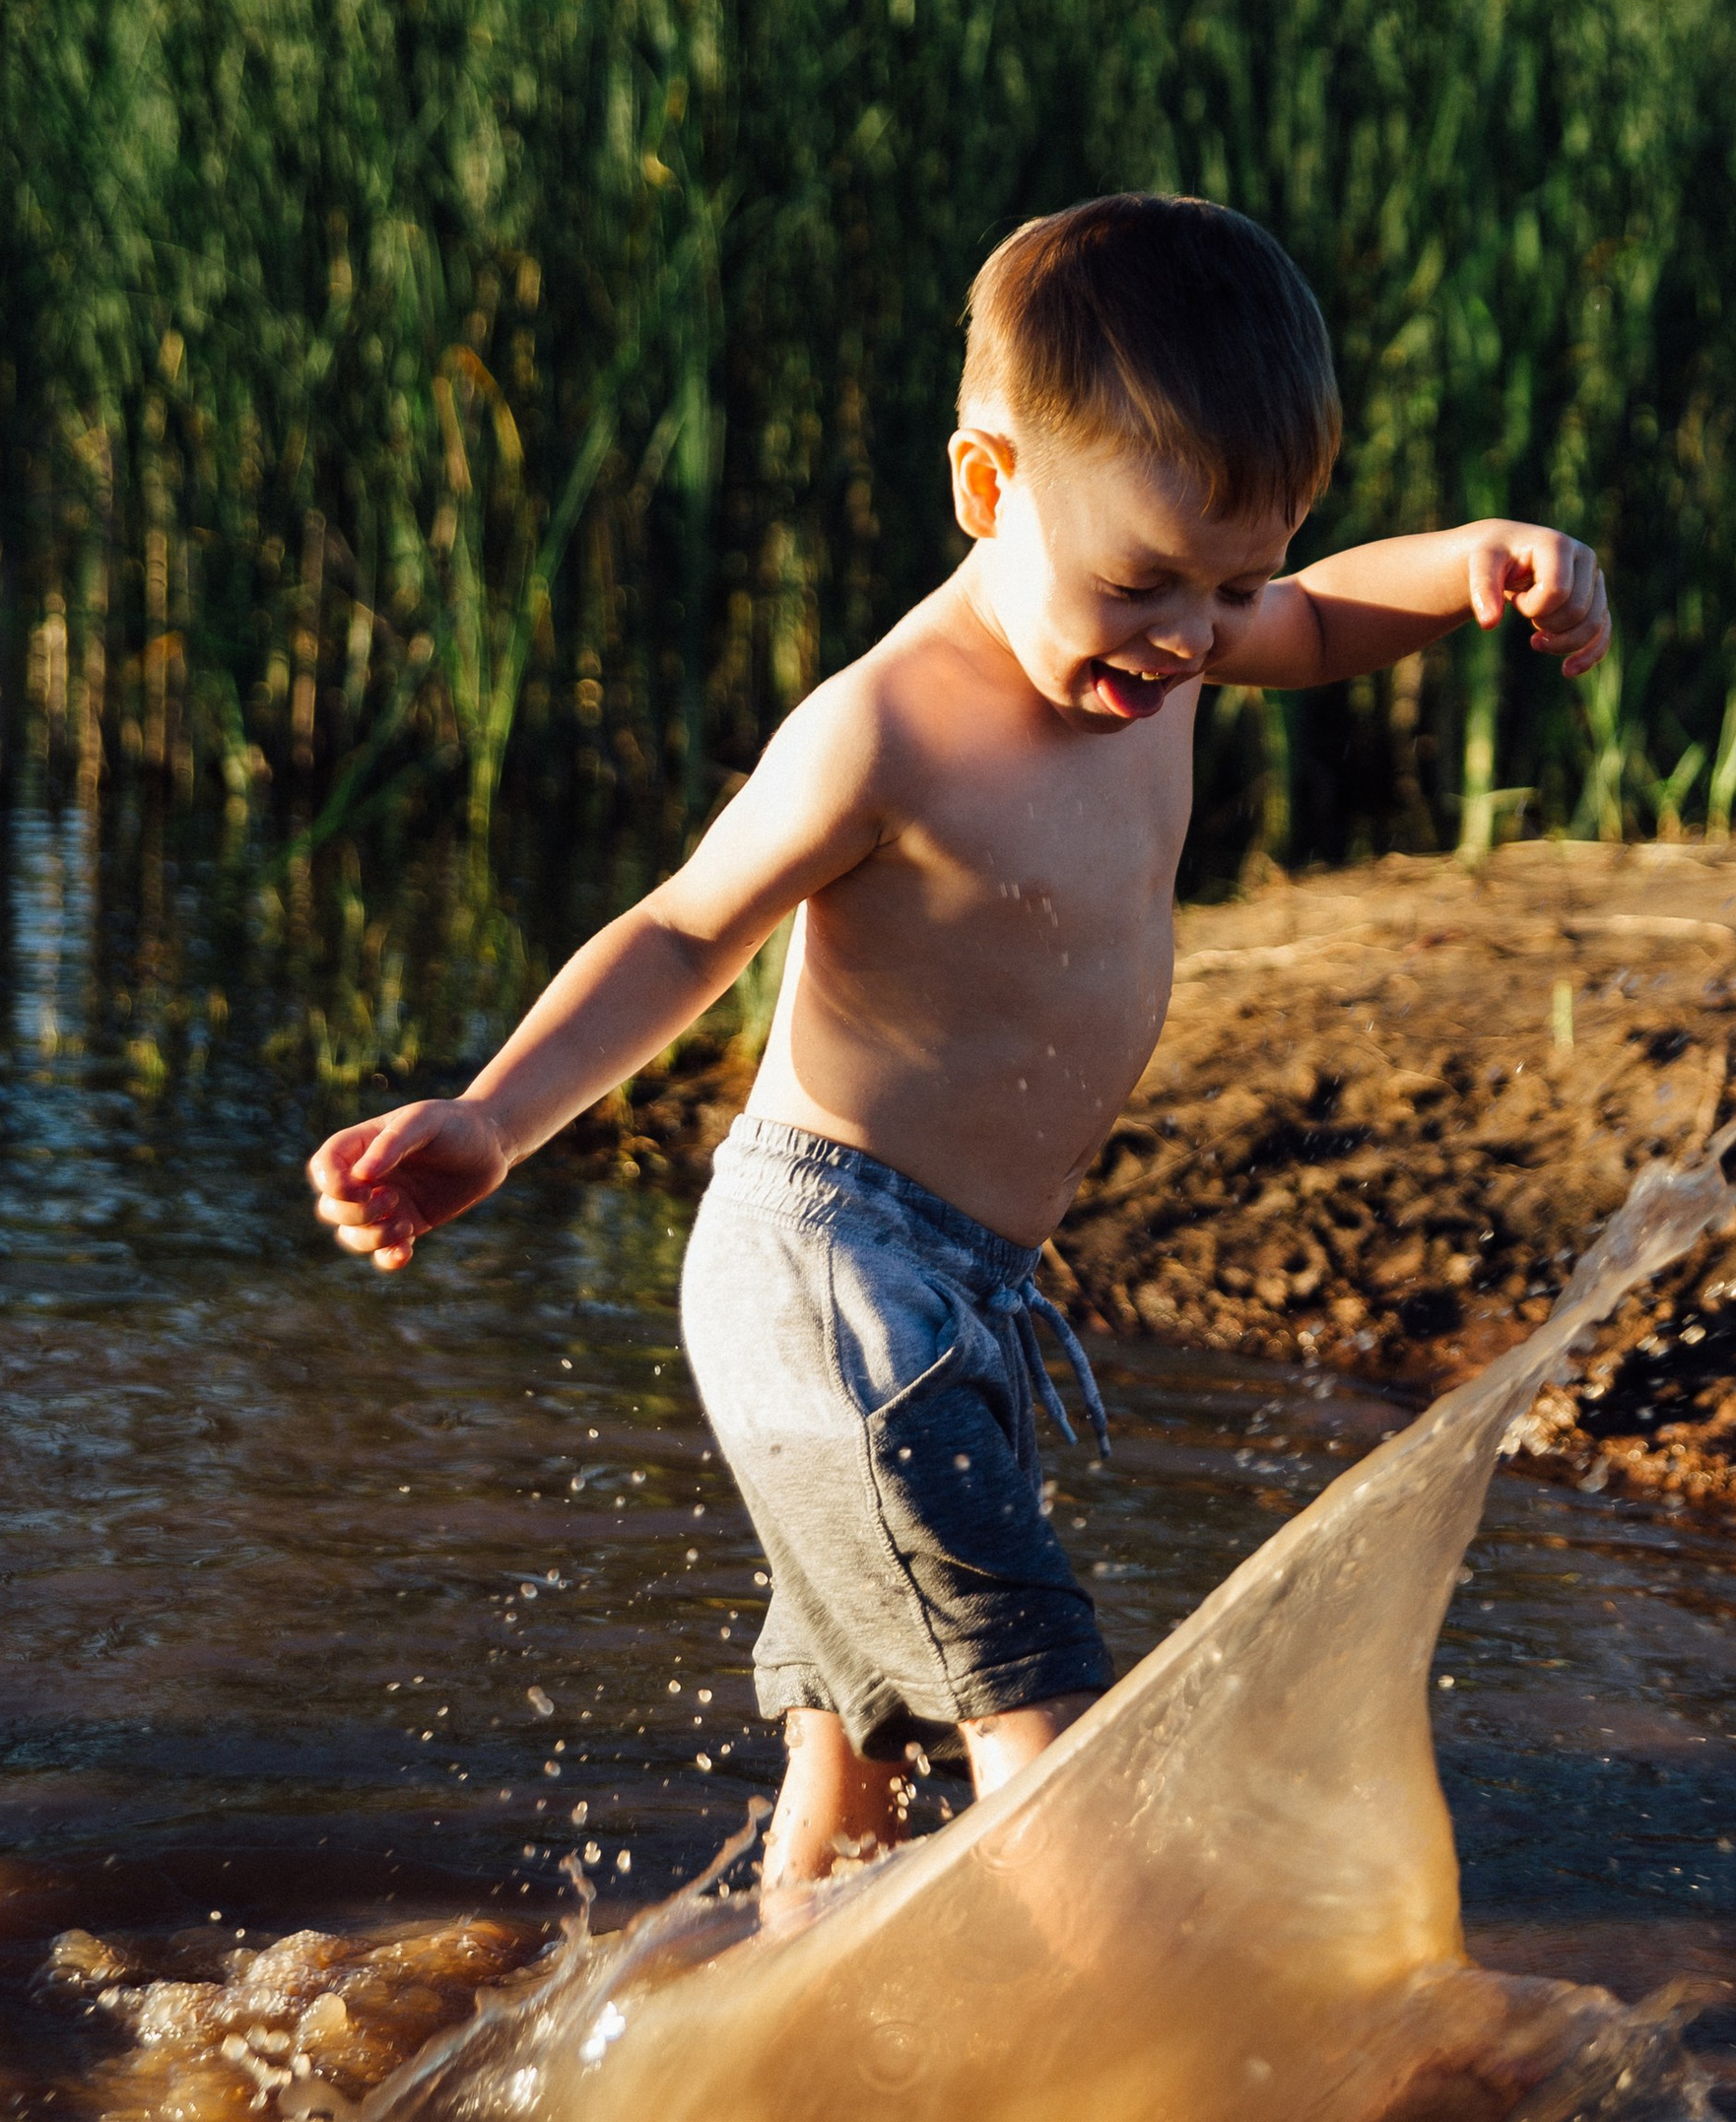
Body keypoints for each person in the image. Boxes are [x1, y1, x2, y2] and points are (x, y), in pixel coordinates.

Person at [309, 195, 1609, 1902]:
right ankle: (1147, 2092)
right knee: (1045, 1723)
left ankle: (774, 2049)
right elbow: (690, 931)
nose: (1193, 636)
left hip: (963, 1289)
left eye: (1224, 585)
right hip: (832, 1270)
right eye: (1147, 583)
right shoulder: (886, 727)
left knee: (861, 1739)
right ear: (989, 490)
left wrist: (1463, 567)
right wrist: (495, 1117)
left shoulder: (1173, 643)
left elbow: (1314, 620)